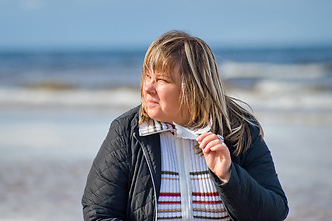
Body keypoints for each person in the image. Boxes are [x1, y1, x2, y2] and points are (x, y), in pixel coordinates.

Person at [82, 30, 289, 221]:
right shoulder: (127, 132)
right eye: (147, 75)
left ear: (194, 87)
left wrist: (229, 176)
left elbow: (275, 212)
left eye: (161, 79)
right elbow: (98, 213)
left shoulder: (239, 130)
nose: (148, 88)